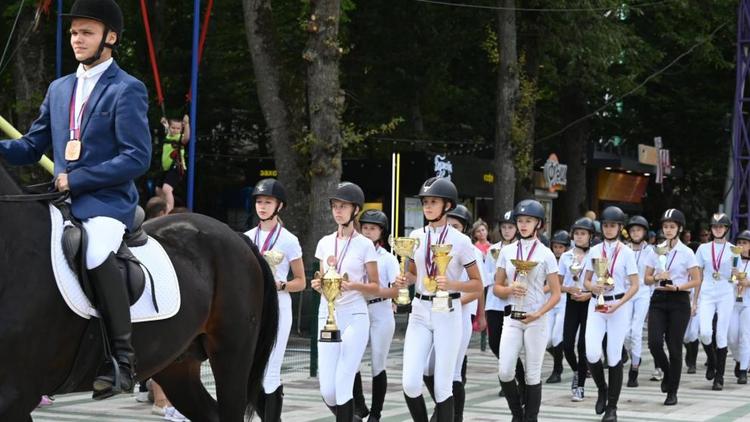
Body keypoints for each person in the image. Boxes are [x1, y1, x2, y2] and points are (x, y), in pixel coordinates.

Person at [0, 0, 150, 399]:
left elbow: (136, 157)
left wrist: (79, 178)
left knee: (96, 251)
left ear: (110, 38)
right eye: (73, 32)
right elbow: (31, 147)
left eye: (86, 32)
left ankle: (121, 358)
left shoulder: (127, 89)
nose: (77, 39)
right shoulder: (59, 87)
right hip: (62, 200)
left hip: (106, 202)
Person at [394, 177, 482, 422]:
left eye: (433, 202)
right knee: (410, 383)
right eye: (425, 202)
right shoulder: (415, 235)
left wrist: (451, 283)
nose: (428, 207)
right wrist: (404, 280)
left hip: (448, 311)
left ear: (447, 206)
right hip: (420, 310)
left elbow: (477, 284)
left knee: (443, 386)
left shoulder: (461, 241)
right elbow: (413, 273)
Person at [311, 182, 381, 421]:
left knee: (343, 382)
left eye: (343, 206)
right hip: (328, 314)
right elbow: (324, 279)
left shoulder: (365, 244)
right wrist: (319, 285)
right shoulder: (324, 243)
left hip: (355, 315)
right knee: (328, 391)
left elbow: (375, 287)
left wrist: (354, 286)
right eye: (335, 206)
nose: (338, 211)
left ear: (355, 210)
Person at [494, 199, 561, 422]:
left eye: (528, 221)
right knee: (505, 371)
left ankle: (530, 418)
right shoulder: (507, 251)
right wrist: (509, 288)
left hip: (535, 319)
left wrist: (539, 313)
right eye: (520, 221)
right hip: (512, 317)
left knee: (533, 374)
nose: (523, 225)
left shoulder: (546, 254)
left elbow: (556, 293)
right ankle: (517, 414)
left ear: (538, 224)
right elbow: (496, 288)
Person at [245, 178, 306, 421]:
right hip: (252, 308)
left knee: (271, 371)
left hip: (279, 306)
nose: (262, 206)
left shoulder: (289, 240)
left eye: (268, 202)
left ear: (279, 206)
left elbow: (301, 281)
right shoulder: (247, 237)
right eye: (259, 201)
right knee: (251, 370)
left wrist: (280, 285)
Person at [582, 206, 639, 422]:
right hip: (597, 304)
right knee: (592, 353)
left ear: (619, 227)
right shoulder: (595, 251)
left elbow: (635, 285)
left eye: (612, 225)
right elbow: (586, 279)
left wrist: (620, 304)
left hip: (618, 306)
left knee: (614, 356)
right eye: (605, 225)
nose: (608, 229)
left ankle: (612, 407)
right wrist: (592, 287)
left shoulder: (626, 253)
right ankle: (601, 389)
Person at [645, 209, 701, 406]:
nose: (668, 230)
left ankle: (673, 392)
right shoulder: (656, 249)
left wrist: (678, 286)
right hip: (659, 298)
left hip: (679, 300)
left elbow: (696, 279)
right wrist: (656, 278)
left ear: (679, 228)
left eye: (672, 227)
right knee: (653, 343)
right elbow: (646, 279)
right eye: (665, 226)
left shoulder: (687, 252)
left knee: (675, 346)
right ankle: (667, 372)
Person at [351, 209, 399, 422]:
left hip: (381, 310)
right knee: (353, 358)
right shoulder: (354, 252)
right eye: (365, 228)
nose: (368, 232)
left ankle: (376, 413)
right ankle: (359, 404)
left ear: (382, 232)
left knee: (378, 362)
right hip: (357, 308)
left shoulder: (388, 259)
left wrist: (374, 291)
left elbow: (396, 292)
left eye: (373, 228)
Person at [484, 210, 524, 397]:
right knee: (495, 343)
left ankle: (515, 380)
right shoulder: (493, 249)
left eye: (510, 227)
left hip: (513, 300)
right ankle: (509, 376)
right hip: (494, 301)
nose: (507, 230)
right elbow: (486, 276)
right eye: (504, 227)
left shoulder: (521, 248)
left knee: (509, 344)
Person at [694, 213, 736, 390]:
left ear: (726, 228)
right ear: (711, 229)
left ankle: (719, 376)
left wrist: (735, 274)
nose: (717, 229)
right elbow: (698, 276)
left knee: (720, 334)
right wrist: (694, 300)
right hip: (707, 291)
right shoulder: (703, 249)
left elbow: (736, 277)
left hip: (726, 291)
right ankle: (712, 361)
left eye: (721, 226)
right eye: (714, 226)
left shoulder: (734, 249)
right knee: (704, 332)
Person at [561, 217, 595, 402]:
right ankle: (577, 370)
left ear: (591, 236)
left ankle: (580, 386)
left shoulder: (596, 254)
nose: (579, 237)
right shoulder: (566, 256)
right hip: (571, 300)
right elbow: (557, 283)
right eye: (577, 233)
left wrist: (589, 294)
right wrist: (569, 289)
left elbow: (604, 282)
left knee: (583, 345)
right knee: (567, 344)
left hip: (589, 301)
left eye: (583, 234)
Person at [623, 216, 656, 387]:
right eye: (632, 230)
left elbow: (655, 274)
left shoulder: (652, 251)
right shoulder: (623, 249)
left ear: (644, 232)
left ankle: (634, 368)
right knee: (625, 333)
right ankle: (634, 355)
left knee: (635, 330)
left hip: (643, 292)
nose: (635, 233)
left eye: (639, 230)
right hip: (626, 291)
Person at [545, 230, 570, 384]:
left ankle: (557, 370)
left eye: (561, 247)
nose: (558, 250)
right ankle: (560, 357)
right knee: (546, 340)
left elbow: (561, 284)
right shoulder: (548, 259)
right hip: (549, 302)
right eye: (555, 246)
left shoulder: (570, 260)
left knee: (556, 337)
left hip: (564, 302)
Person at [728, 230, 750, 384]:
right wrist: (733, 276)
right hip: (733, 303)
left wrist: (746, 282)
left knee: (744, 335)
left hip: (748, 303)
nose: (741, 246)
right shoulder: (732, 259)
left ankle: (743, 369)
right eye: (739, 243)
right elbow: (727, 279)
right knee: (731, 335)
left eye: (745, 243)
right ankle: (739, 358)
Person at [155, 114, 189, 213]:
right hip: (166, 168)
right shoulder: (168, 135)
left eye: (178, 128)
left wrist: (186, 125)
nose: (175, 130)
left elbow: (186, 138)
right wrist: (164, 122)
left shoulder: (180, 137)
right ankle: (162, 207)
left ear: (181, 129)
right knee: (158, 189)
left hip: (176, 167)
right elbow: (166, 126)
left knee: (166, 189)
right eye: (173, 128)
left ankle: (169, 210)